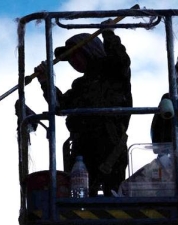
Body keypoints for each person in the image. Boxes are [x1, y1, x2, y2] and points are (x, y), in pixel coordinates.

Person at [34, 28, 132, 197]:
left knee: (114, 196)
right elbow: (61, 106)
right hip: (82, 148)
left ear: (89, 51)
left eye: (75, 55)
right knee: (82, 199)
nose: (73, 61)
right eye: (70, 58)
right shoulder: (80, 85)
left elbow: (121, 60)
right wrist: (45, 81)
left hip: (109, 144)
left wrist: (109, 34)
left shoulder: (114, 72)